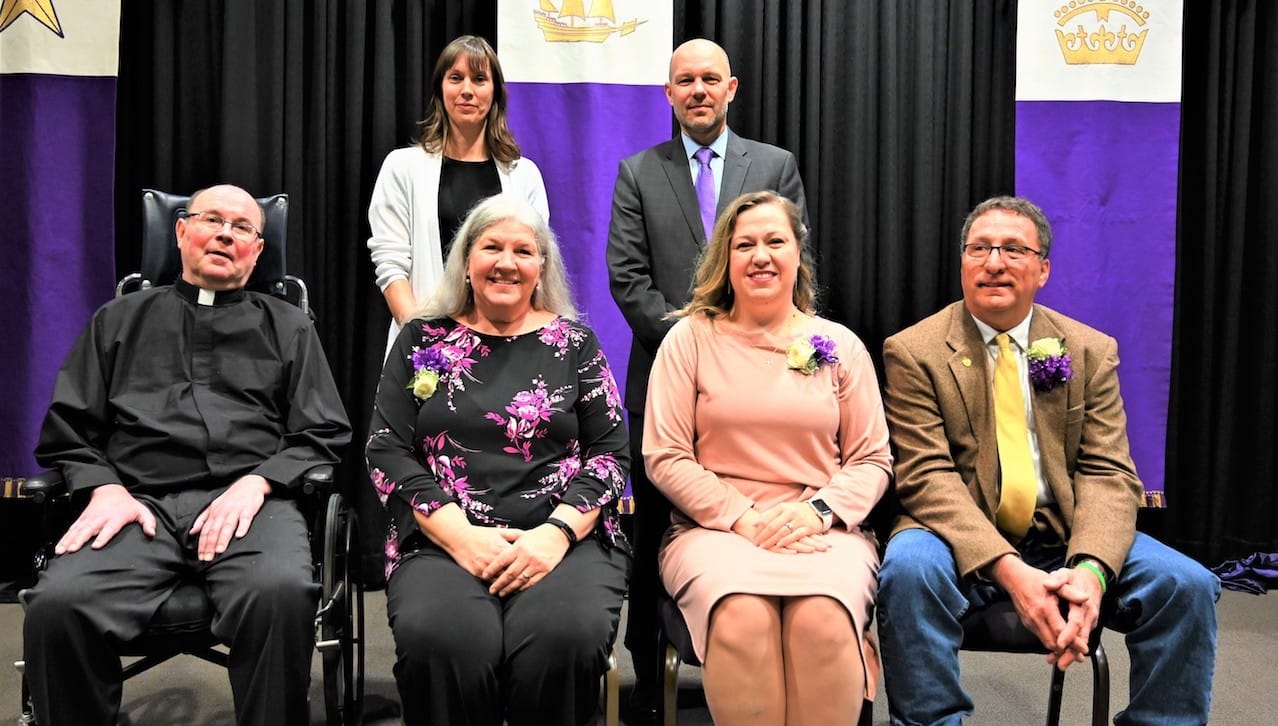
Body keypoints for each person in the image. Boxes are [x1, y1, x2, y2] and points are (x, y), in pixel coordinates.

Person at [876, 196, 1220, 725]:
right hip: (955, 534)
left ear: (1043, 270)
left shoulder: (1088, 349)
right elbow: (926, 479)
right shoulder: (914, 350)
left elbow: (1108, 472)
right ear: (963, 261)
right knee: (908, 568)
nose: (994, 262)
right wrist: (1012, 573)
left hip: (1063, 534)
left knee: (1187, 585)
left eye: (1013, 249)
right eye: (980, 248)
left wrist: (1090, 572)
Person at [24, 184, 352, 725]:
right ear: (180, 232)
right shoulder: (118, 320)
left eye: (243, 227)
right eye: (212, 219)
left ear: (258, 251)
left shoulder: (289, 327)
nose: (226, 233)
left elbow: (322, 430)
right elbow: (69, 430)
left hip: (251, 505)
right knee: (60, 604)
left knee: (282, 592)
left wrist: (260, 483)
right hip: (135, 504)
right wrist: (103, 488)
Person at [365, 193, 631, 725]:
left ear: (542, 268)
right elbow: (386, 449)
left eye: (523, 251)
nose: (506, 262)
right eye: (491, 247)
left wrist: (554, 535)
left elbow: (611, 455)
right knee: (447, 644)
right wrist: (462, 535)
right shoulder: (423, 338)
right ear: (466, 261)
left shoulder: (575, 343)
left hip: (563, 539)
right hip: (442, 539)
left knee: (561, 642)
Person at [605, 37, 809, 718]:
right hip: (663, 381)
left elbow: (789, 266)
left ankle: (767, 662)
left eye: (709, 79)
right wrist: (704, 343)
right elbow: (628, 282)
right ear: (668, 94)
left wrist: (740, 347)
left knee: (758, 514)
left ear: (732, 88)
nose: (697, 90)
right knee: (655, 528)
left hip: (762, 390)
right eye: (684, 80)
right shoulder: (638, 171)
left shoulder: (773, 167)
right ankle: (649, 682)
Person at [644, 191, 890, 725]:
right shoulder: (688, 340)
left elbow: (872, 459)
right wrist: (745, 518)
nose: (760, 255)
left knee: (822, 619)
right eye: (744, 244)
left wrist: (816, 512)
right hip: (715, 532)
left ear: (798, 254)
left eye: (775, 241)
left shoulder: (841, 346)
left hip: (822, 532)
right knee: (742, 618)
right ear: (724, 261)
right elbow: (665, 455)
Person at [369, 34, 549, 358]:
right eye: (456, 78)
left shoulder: (524, 175)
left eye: (479, 79)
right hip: (423, 351)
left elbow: (534, 264)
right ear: (441, 89)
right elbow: (390, 265)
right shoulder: (401, 168)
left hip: (505, 350)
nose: (467, 90)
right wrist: (424, 344)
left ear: (494, 93)